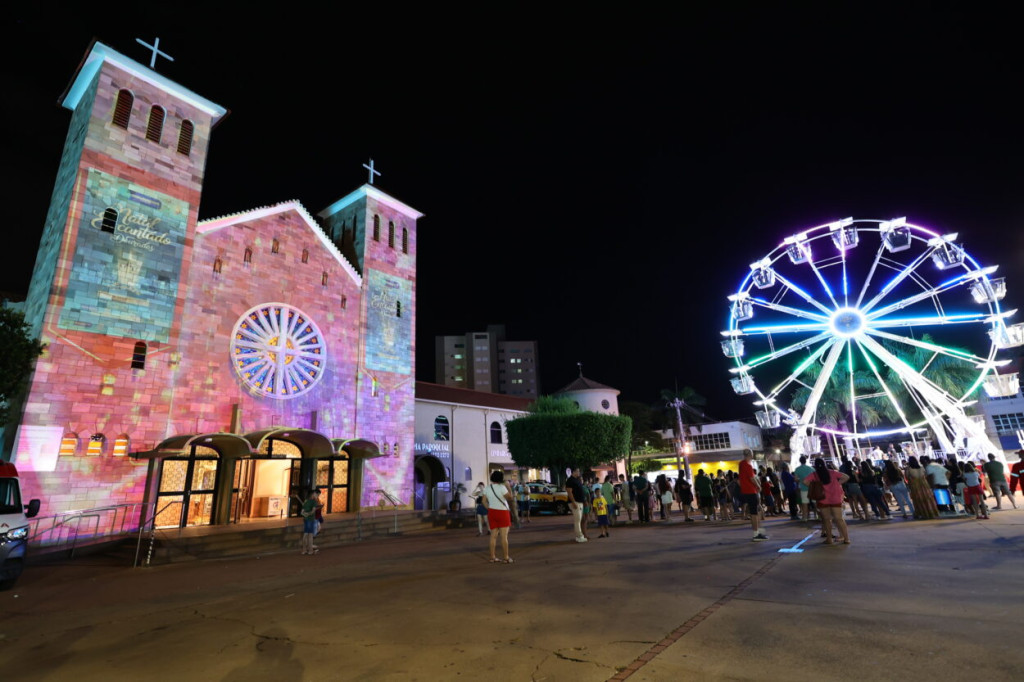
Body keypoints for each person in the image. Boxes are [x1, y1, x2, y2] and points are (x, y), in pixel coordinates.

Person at [802, 457, 851, 545]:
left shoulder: (814, 474)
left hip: (822, 499)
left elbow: (805, 481)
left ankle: (829, 539)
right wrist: (837, 483)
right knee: (839, 519)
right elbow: (846, 477)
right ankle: (846, 539)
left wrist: (814, 485)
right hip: (835, 498)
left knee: (827, 520)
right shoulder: (832, 472)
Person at [483, 470, 514, 562]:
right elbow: (510, 497)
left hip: (492, 512)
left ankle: (492, 557)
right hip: (502, 512)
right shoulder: (502, 488)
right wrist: (509, 487)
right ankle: (506, 557)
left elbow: (483, 501)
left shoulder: (487, 488)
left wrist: (489, 508)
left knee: (493, 536)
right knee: (504, 537)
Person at [739, 449, 768, 541]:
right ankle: (756, 534)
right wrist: (759, 485)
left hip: (746, 490)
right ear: (750, 455)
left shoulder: (741, 464)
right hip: (751, 490)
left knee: (754, 512)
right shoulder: (748, 465)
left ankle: (758, 532)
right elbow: (752, 478)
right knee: (754, 513)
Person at [565, 467, 588, 542]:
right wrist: (573, 502)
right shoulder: (570, 480)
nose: (579, 472)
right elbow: (569, 492)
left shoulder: (576, 480)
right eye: (577, 471)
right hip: (575, 502)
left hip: (580, 502)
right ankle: (579, 536)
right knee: (577, 520)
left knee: (579, 519)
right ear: (573, 472)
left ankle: (579, 536)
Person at [300, 488, 322, 555]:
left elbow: (302, 512)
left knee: (305, 534)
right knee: (310, 535)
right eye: (315, 494)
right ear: (312, 494)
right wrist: (309, 513)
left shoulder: (306, 501)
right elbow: (313, 511)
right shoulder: (313, 502)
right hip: (311, 519)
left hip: (306, 519)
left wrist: (305, 514)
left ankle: (304, 550)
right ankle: (310, 550)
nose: (316, 495)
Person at [793, 455, 814, 522]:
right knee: (815, 502)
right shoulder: (811, 468)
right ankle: (818, 516)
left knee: (804, 503)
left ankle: (805, 517)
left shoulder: (797, 469)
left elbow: (795, 479)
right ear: (805, 461)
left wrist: (801, 480)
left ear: (800, 461)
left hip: (803, 488)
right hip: (812, 488)